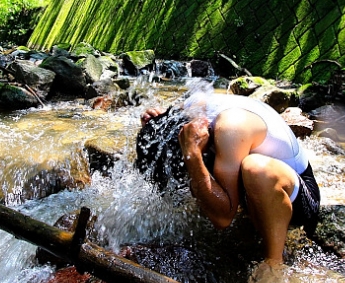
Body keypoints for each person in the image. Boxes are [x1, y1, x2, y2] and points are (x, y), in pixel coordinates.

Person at [137, 92, 320, 264]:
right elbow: (172, 128)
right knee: (201, 174)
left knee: (254, 169)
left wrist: (191, 154)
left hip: (299, 196)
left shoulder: (230, 128)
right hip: (255, 189)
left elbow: (224, 218)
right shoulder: (192, 105)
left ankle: (274, 264)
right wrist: (160, 121)